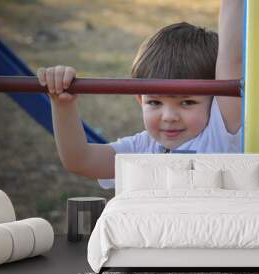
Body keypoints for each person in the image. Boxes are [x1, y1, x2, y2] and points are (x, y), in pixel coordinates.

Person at [37, 0, 243, 189]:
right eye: (154, 102)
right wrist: (62, 105)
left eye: (187, 102)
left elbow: (231, 58)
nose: (169, 116)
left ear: (216, 99)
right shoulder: (141, 148)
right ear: (140, 99)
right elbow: (80, 161)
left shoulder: (221, 133)